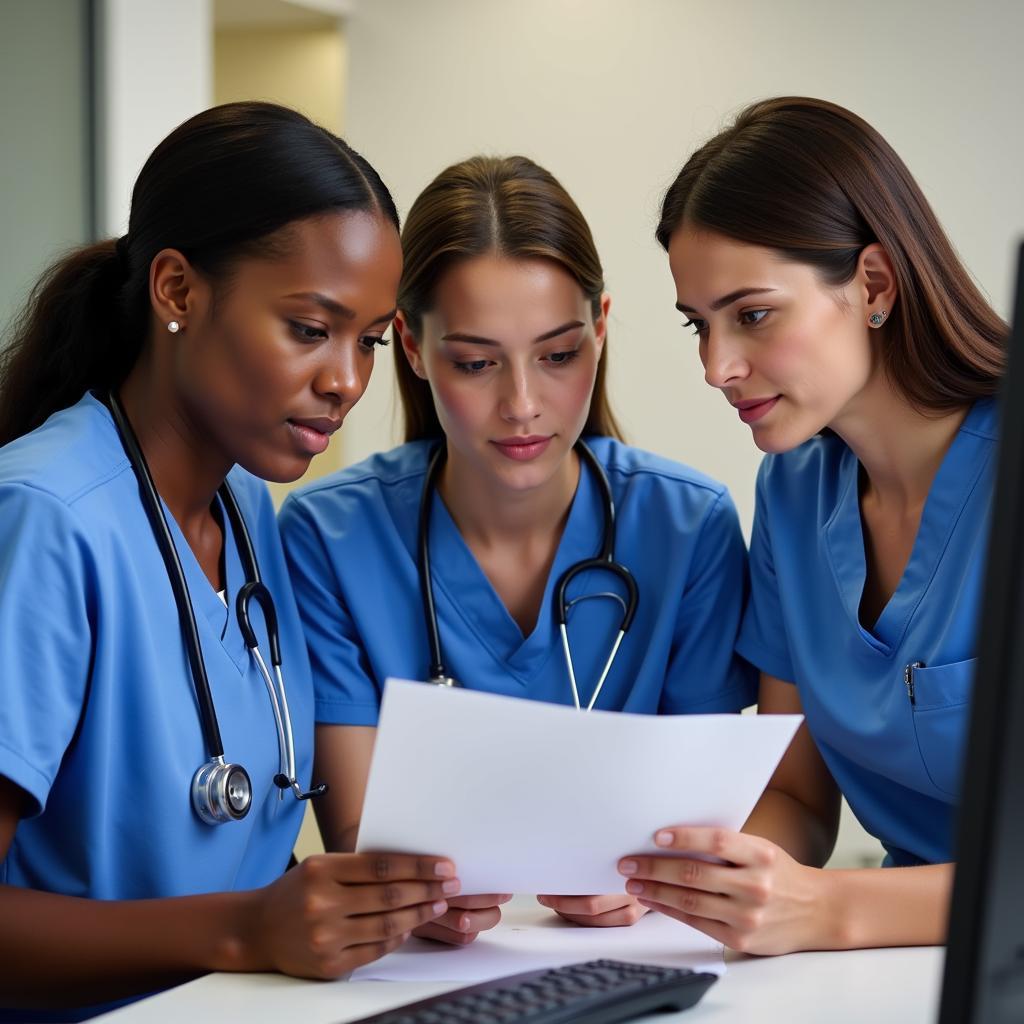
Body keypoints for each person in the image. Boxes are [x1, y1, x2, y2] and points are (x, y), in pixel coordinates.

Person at [0, 102, 460, 1021]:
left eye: (368, 339)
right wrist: (248, 930)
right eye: (308, 329)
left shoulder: (246, 502)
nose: (348, 381)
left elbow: (226, 839)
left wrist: (355, 910)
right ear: (177, 290)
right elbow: (230, 909)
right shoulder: (44, 517)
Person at [279, 154, 756, 945]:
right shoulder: (329, 537)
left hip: (634, 955)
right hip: (423, 974)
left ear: (601, 328)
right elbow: (360, 835)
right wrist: (410, 895)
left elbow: (700, 824)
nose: (524, 405)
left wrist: (651, 888)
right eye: (474, 363)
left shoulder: (687, 525)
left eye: (559, 355)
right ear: (409, 343)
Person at [619, 96, 1006, 953]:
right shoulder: (794, 493)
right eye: (700, 325)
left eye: (752, 314)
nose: (717, 367)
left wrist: (828, 910)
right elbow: (796, 797)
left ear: (872, 283)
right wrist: (690, 877)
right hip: (896, 971)